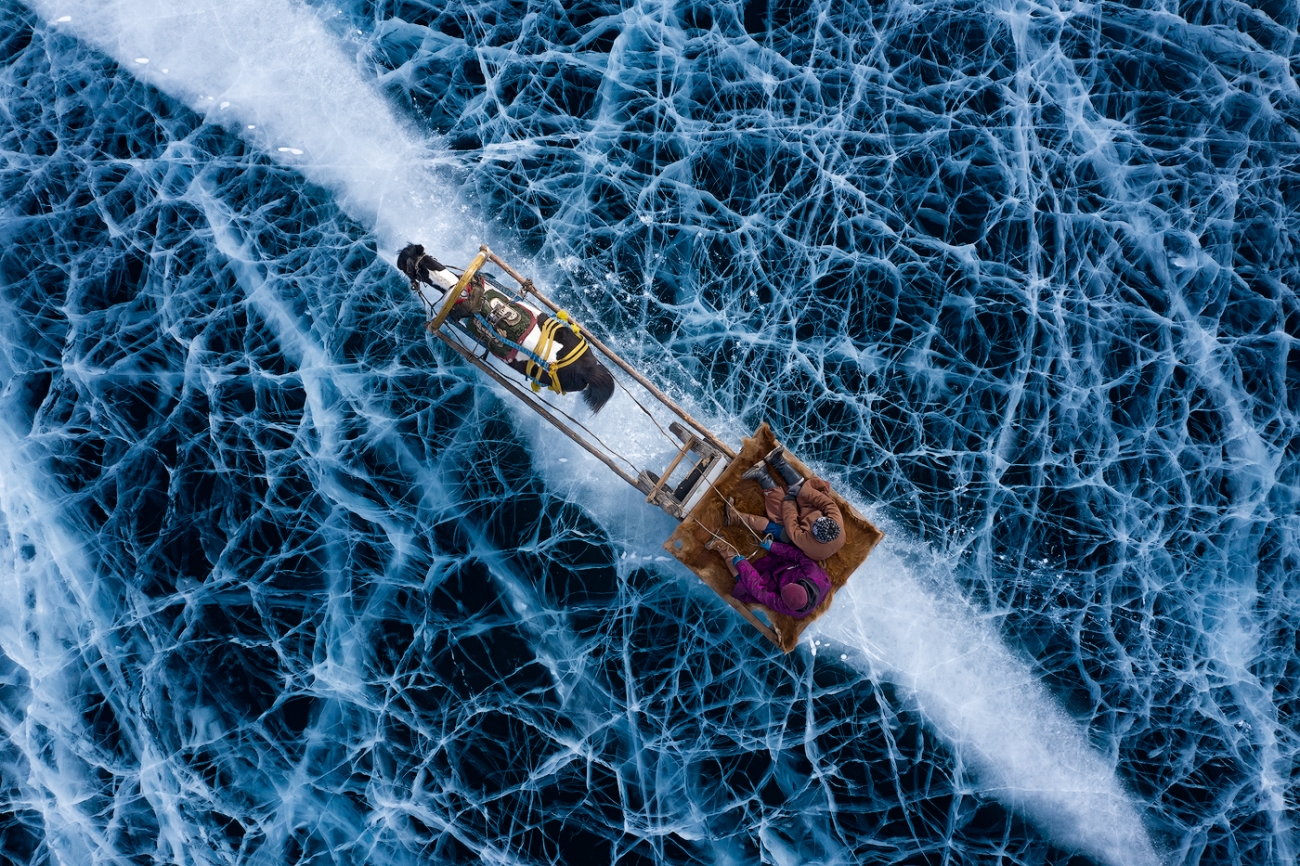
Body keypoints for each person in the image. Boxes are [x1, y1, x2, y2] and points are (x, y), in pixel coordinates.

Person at [728, 446, 846, 561]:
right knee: (807, 492)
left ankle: (762, 476)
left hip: (797, 532)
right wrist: (802, 492)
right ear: (830, 520)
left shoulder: (807, 543)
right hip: (811, 512)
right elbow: (826, 503)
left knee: (781, 514)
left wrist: (789, 502)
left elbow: (791, 525)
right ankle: (778, 461)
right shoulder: (836, 521)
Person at [707, 536, 830, 619]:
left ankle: (723, 548)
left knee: (745, 586)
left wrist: (742, 565)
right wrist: (773, 546)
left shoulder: (786, 607)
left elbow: (760, 591)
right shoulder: (813, 573)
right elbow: (797, 555)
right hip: (787, 565)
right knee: (786, 541)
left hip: (774, 582)